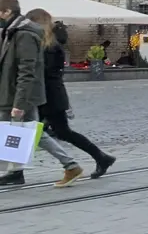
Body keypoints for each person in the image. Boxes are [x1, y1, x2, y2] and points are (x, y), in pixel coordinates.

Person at [0, 0, 85, 188]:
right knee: (19, 132)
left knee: (31, 133)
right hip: (13, 92)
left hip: (20, 95)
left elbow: (27, 70)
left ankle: (70, 165)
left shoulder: (24, 34)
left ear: (7, 12)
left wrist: (19, 103)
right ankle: (15, 172)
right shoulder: (12, 31)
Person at [25, 10, 116, 179]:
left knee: (59, 132)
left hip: (50, 96)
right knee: (47, 132)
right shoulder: (46, 44)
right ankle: (98, 158)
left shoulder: (50, 46)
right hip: (47, 95)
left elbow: (45, 72)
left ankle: (96, 159)